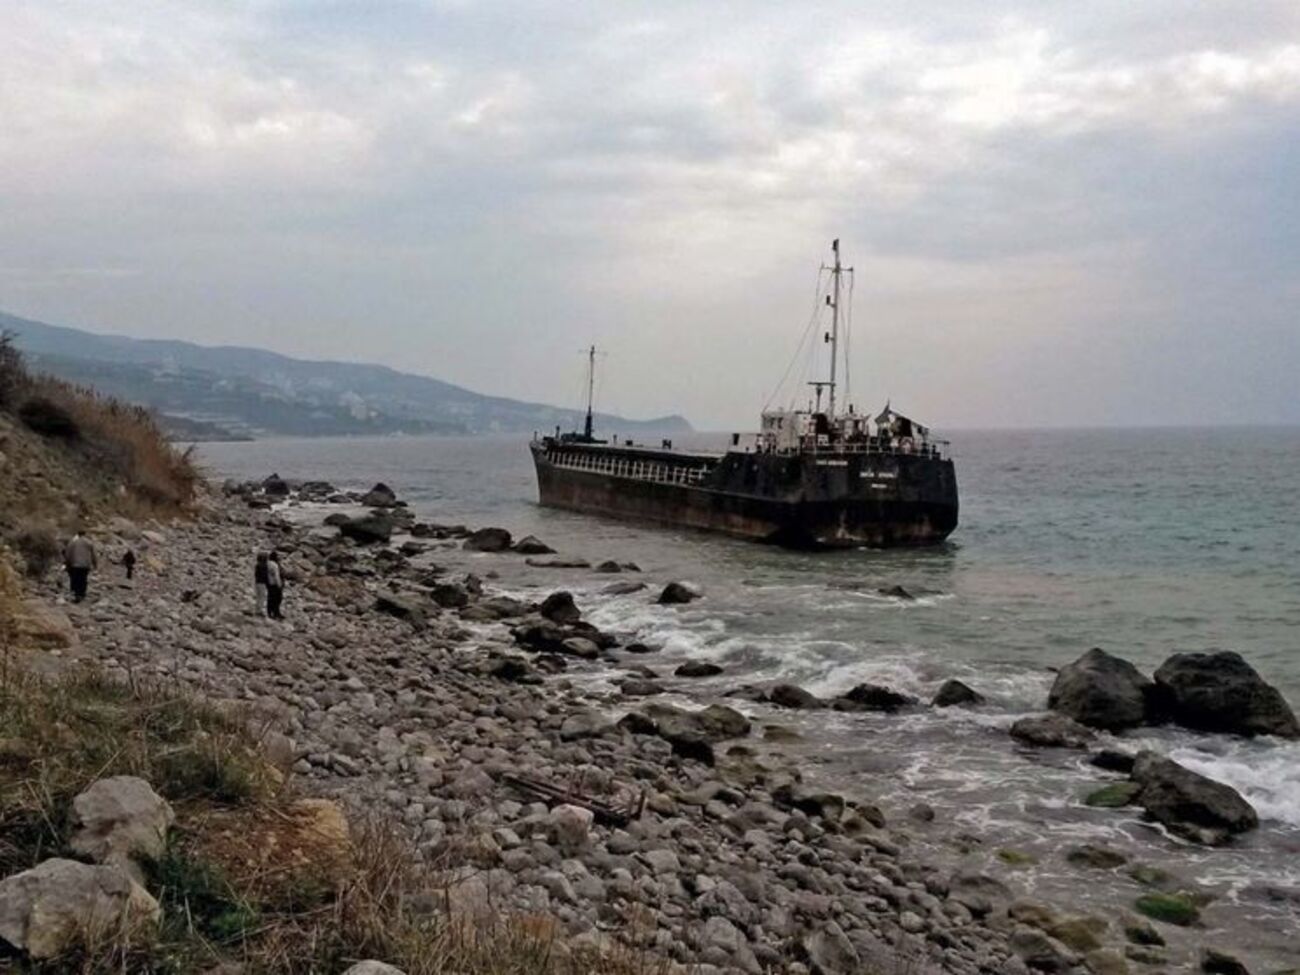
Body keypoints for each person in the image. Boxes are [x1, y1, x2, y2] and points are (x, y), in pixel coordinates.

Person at [63, 530, 97, 603]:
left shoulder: (72, 542)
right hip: (85, 565)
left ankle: (76, 594)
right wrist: (95, 564)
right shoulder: (89, 542)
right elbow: (94, 555)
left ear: (78, 534)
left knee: (75, 579)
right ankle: (82, 594)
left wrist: (67, 563)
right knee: (83, 579)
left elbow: (68, 553)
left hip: (74, 564)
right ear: (85, 534)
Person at [265, 552, 284, 620]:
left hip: (269, 583)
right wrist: (279, 584)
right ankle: (276, 613)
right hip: (275, 584)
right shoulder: (275, 565)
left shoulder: (267, 563)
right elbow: (276, 575)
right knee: (277, 599)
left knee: (270, 598)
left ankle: (270, 612)